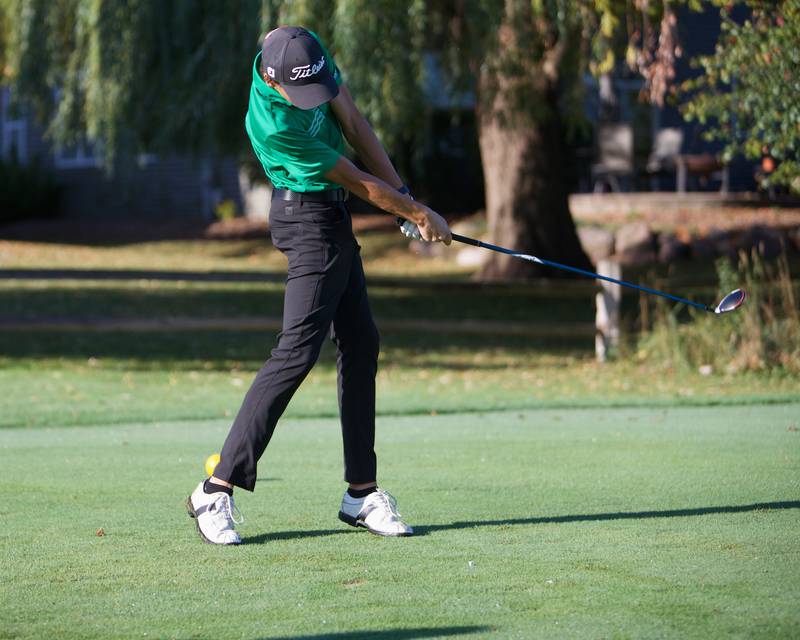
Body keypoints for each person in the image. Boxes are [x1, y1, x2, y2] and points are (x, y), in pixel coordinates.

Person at [187, 26, 451, 545]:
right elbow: (352, 176)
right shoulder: (272, 125)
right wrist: (417, 213)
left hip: (334, 220)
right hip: (305, 220)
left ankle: (361, 493)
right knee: (296, 353)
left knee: (361, 341)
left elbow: (353, 122)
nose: (312, 99)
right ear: (272, 79)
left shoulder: (303, 52)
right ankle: (215, 490)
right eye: (299, 92)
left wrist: (402, 194)